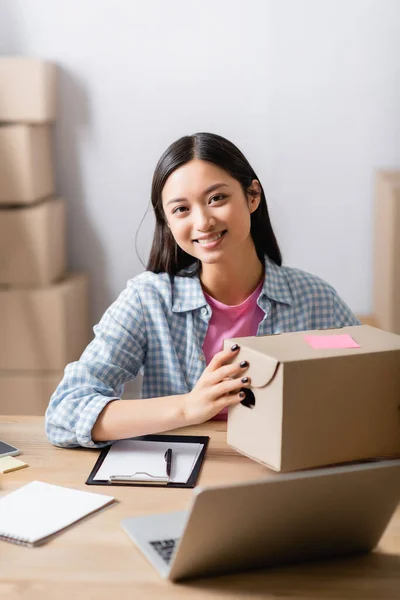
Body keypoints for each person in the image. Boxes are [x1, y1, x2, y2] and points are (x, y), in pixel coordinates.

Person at [45, 132, 360, 448]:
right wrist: (186, 408)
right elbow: (64, 413)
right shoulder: (147, 301)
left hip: (288, 476)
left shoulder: (316, 299)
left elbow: (372, 387)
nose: (203, 222)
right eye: (181, 209)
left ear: (253, 195)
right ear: (167, 221)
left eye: (217, 198)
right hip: (183, 479)